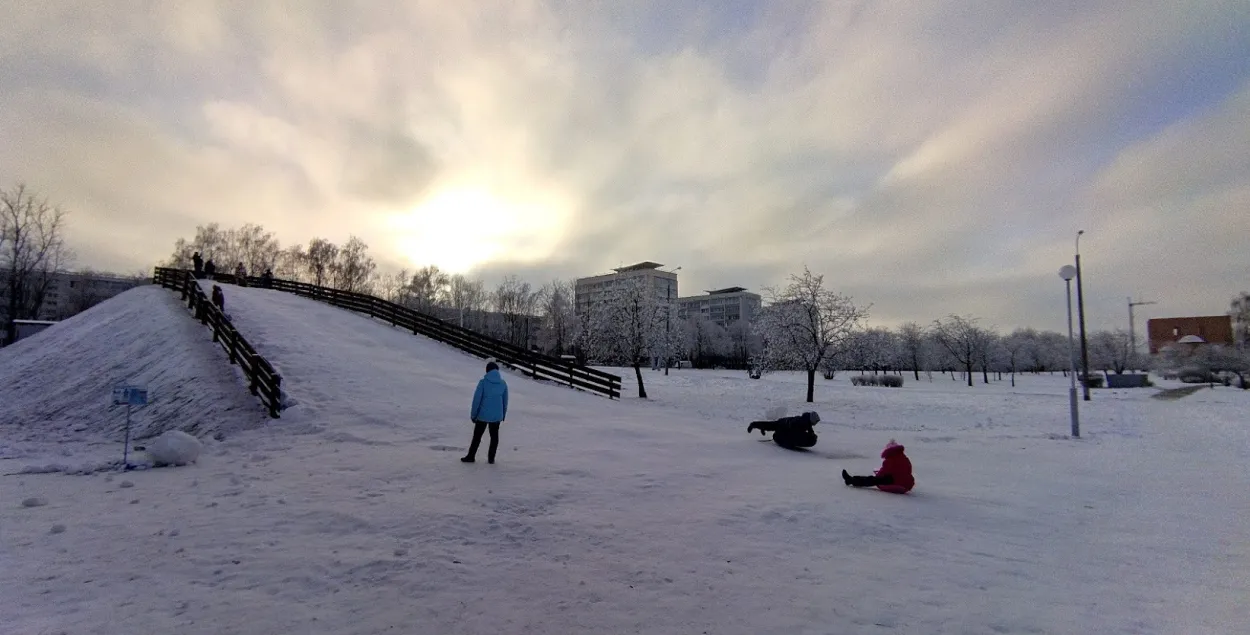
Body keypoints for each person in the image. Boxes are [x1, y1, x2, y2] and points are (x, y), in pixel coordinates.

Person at [462, 360, 509, 464]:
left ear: (487, 371)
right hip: (497, 416)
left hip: (483, 415)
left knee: (477, 436)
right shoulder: (503, 384)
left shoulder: (483, 382)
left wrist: (473, 415)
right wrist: (503, 415)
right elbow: (505, 401)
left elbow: (476, 400)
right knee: (494, 437)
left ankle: (471, 456)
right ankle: (491, 459)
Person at [842, 439, 914, 494]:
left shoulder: (891, 459)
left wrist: (877, 476)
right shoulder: (905, 458)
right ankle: (852, 479)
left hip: (897, 483)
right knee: (886, 478)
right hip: (907, 485)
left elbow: (883, 471)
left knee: (872, 479)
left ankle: (851, 480)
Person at [747, 411, 819, 449]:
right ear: (812, 420)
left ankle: (758, 426)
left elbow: (810, 431)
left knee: (771, 426)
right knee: (771, 426)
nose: (815, 424)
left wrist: (812, 435)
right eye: (816, 422)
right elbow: (793, 433)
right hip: (782, 425)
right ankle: (754, 424)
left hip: (784, 425)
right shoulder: (801, 422)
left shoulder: (806, 422)